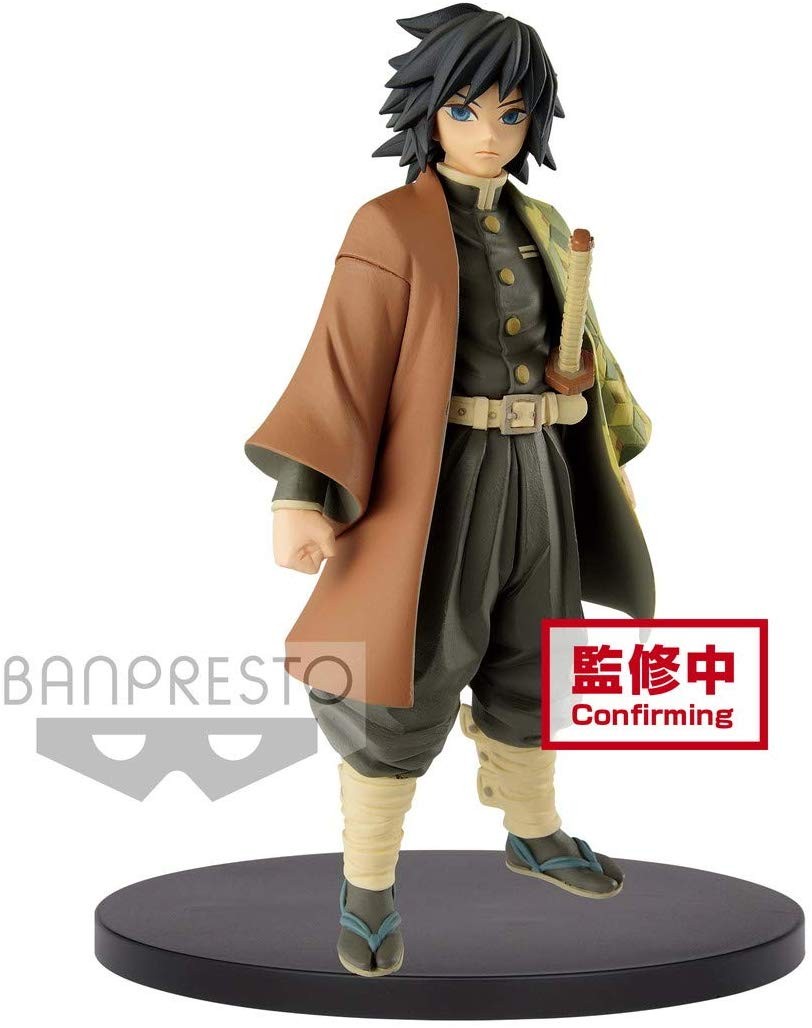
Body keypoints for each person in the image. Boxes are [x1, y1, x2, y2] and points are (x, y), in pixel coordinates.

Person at [245, 4, 653, 977]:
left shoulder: (542, 224)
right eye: (465, 110)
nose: (488, 133)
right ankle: (368, 883)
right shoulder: (387, 225)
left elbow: (585, 348)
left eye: (511, 114)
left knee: (539, 654)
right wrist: (301, 492)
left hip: (538, 475)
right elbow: (340, 361)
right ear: (428, 111)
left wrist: (590, 416)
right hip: (434, 486)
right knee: (404, 672)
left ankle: (533, 829)